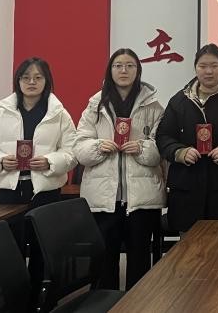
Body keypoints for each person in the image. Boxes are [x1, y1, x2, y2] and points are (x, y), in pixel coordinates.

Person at [0, 57, 77, 309]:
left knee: (43, 249)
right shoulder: (3, 113)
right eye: (26, 77)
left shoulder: (58, 114)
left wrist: (50, 161)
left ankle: (39, 303)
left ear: (47, 81)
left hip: (45, 191)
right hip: (10, 191)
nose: (32, 82)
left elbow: (72, 151)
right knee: (11, 250)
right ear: (18, 81)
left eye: (38, 77)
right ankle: (14, 302)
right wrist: (1, 160)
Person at [73, 48, 166, 290]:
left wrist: (143, 148)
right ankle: (106, 304)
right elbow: (79, 148)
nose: (123, 70)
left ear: (138, 70)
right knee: (105, 260)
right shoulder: (95, 105)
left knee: (139, 259)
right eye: (118, 66)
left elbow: (162, 148)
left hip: (142, 198)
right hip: (103, 197)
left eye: (130, 66)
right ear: (110, 70)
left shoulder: (154, 106)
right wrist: (97, 147)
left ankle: (138, 304)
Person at [156, 44, 218, 231]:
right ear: (195, 68)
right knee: (188, 245)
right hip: (186, 188)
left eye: (215, 66)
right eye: (203, 66)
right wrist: (179, 152)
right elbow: (163, 136)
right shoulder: (179, 101)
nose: (209, 71)